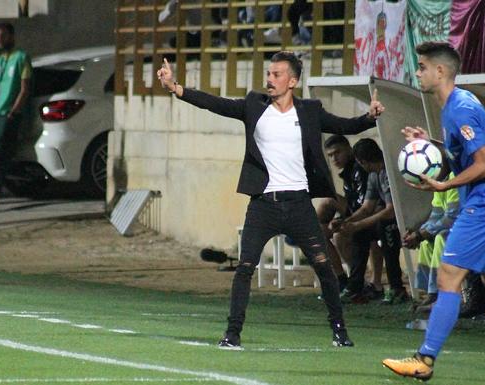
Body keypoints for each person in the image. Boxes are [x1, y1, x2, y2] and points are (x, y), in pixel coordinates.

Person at [156, 51, 385, 349]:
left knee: (324, 268)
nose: (269, 80)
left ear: (292, 81)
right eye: (268, 74)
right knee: (245, 268)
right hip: (263, 204)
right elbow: (217, 104)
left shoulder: (310, 111)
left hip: (299, 204)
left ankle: (340, 332)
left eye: (276, 75)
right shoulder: (254, 105)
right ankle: (232, 334)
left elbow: (347, 126)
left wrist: (370, 116)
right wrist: (176, 88)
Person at [382, 41, 485, 385]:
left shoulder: (459, 109)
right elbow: (472, 153)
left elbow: (484, 164)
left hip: (484, 204)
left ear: (440, 71)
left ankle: (424, 360)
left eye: (423, 66)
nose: (418, 72)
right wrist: (434, 144)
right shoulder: (459, 104)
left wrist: (444, 185)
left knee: (448, 277)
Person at [336, 138, 408, 305]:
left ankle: (397, 288)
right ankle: (355, 288)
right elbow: (367, 207)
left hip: (403, 220)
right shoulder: (374, 175)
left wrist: (359, 224)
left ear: (362, 161)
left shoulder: (388, 171)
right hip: (390, 219)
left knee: (386, 229)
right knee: (360, 233)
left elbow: (391, 210)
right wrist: (346, 222)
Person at [317, 134, 384, 299]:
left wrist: (347, 222)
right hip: (361, 210)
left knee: (342, 233)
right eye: (330, 155)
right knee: (317, 234)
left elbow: (369, 207)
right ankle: (343, 280)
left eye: (337, 152)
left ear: (348, 149)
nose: (334, 158)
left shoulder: (362, 168)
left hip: (377, 212)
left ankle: (368, 283)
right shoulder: (348, 172)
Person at [0, 23, 31, 214]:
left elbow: (24, 88)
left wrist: (13, 112)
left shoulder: (21, 57)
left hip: (6, 113)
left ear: (11, 36)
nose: (0, 40)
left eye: (3, 36)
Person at [403, 171, 459, 311]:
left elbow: (451, 218)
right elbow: (436, 215)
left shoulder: (453, 179)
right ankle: (431, 293)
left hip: (466, 228)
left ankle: (439, 292)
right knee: (427, 242)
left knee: (441, 238)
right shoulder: (440, 181)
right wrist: (419, 233)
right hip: (453, 228)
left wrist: (420, 234)